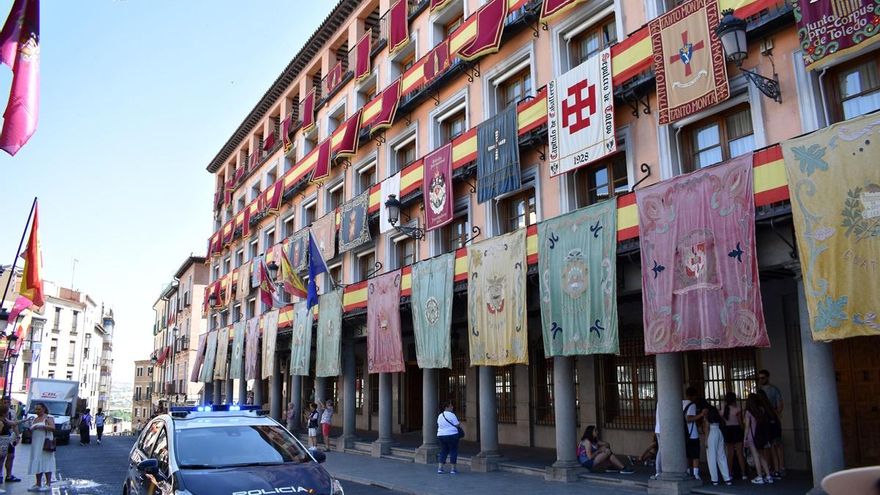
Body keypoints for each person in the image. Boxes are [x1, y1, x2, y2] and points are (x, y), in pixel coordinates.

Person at [757, 369, 785, 477]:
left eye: (763, 377)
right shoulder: (758, 390)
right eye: (759, 378)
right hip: (764, 420)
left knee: (777, 444)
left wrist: (775, 414)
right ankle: (770, 467)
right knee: (768, 445)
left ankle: (781, 467)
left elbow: (780, 404)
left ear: (767, 377)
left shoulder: (774, 390)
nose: (761, 380)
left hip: (772, 418)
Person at [700, 399, 732, 486]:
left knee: (711, 457)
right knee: (721, 456)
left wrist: (706, 440)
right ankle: (727, 478)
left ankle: (714, 479)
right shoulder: (716, 414)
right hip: (719, 432)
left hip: (711, 434)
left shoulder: (707, 416)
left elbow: (706, 429)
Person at [744, 393, 774, 485]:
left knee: (755, 456)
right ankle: (768, 476)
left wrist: (744, 438)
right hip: (760, 436)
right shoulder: (761, 410)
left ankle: (759, 476)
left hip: (752, 436)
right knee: (761, 456)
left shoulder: (748, 412)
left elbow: (747, 427)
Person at [27, 403, 56, 493]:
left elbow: (53, 428)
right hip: (36, 442)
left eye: (39, 409)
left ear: (43, 409)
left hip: (45, 442)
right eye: (36, 409)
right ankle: (38, 483)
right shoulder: (35, 419)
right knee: (37, 460)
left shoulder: (48, 417)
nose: (37, 411)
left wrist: (43, 426)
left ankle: (48, 483)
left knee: (46, 461)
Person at [722, 392, 748, 481]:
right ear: (734, 400)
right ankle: (743, 473)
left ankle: (729, 473)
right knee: (740, 453)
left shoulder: (723, 410)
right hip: (737, 430)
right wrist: (744, 429)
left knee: (730, 454)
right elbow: (740, 423)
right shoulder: (737, 410)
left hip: (728, 431)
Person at [683, 387, 706, 480]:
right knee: (695, 454)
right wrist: (701, 415)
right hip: (692, 433)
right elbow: (688, 418)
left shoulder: (681, 403)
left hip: (684, 433)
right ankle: (696, 474)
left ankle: (688, 471)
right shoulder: (692, 405)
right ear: (694, 396)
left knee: (687, 454)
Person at [436, 401, 461, 474]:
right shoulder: (452, 415)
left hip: (441, 435)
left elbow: (439, 424)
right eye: (451, 406)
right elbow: (457, 425)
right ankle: (453, 469)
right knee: (453, 451)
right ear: (446, 407)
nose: (452, 407)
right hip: (452, 435)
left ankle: (440, 468)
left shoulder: (440, 415)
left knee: (443, 451)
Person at [1, 398, 20, 483]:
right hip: (2, 438)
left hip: (10, 437)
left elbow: (14, 424)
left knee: (11, 456)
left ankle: (9, 475)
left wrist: (17, 436)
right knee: (1, 457)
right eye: (4, 402)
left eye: (8, 402)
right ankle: (0, 475)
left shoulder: (12, 412)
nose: (6, 404)